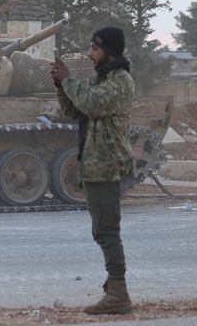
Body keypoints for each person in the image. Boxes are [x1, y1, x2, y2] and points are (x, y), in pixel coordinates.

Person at [49, 26, 134, 315]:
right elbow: (76, 110)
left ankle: (119, 295)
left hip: (106, 165)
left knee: (107, 231)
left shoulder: (120, 81)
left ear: (109, 50)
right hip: (96, 165)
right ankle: (115, 290)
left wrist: (69, 81)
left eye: (95, 49)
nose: (90, 53)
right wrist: (62, 87)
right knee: (103, 230)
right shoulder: (103, 78)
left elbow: (92, 103)